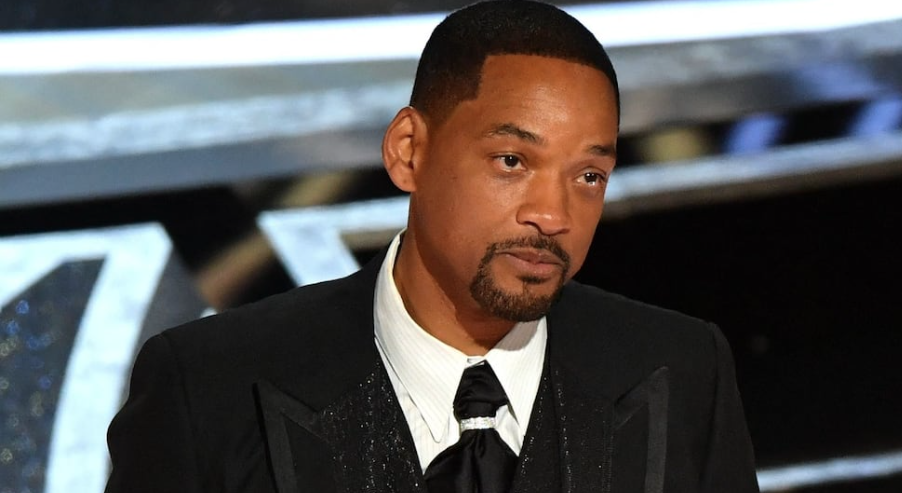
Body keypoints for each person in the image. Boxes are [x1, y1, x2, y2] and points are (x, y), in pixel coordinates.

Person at [105, 1, 759, 492]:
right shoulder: (208, 385)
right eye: (511, 160)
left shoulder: (681, 370)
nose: (552, 215)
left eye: (588, 176)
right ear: (408, 151)